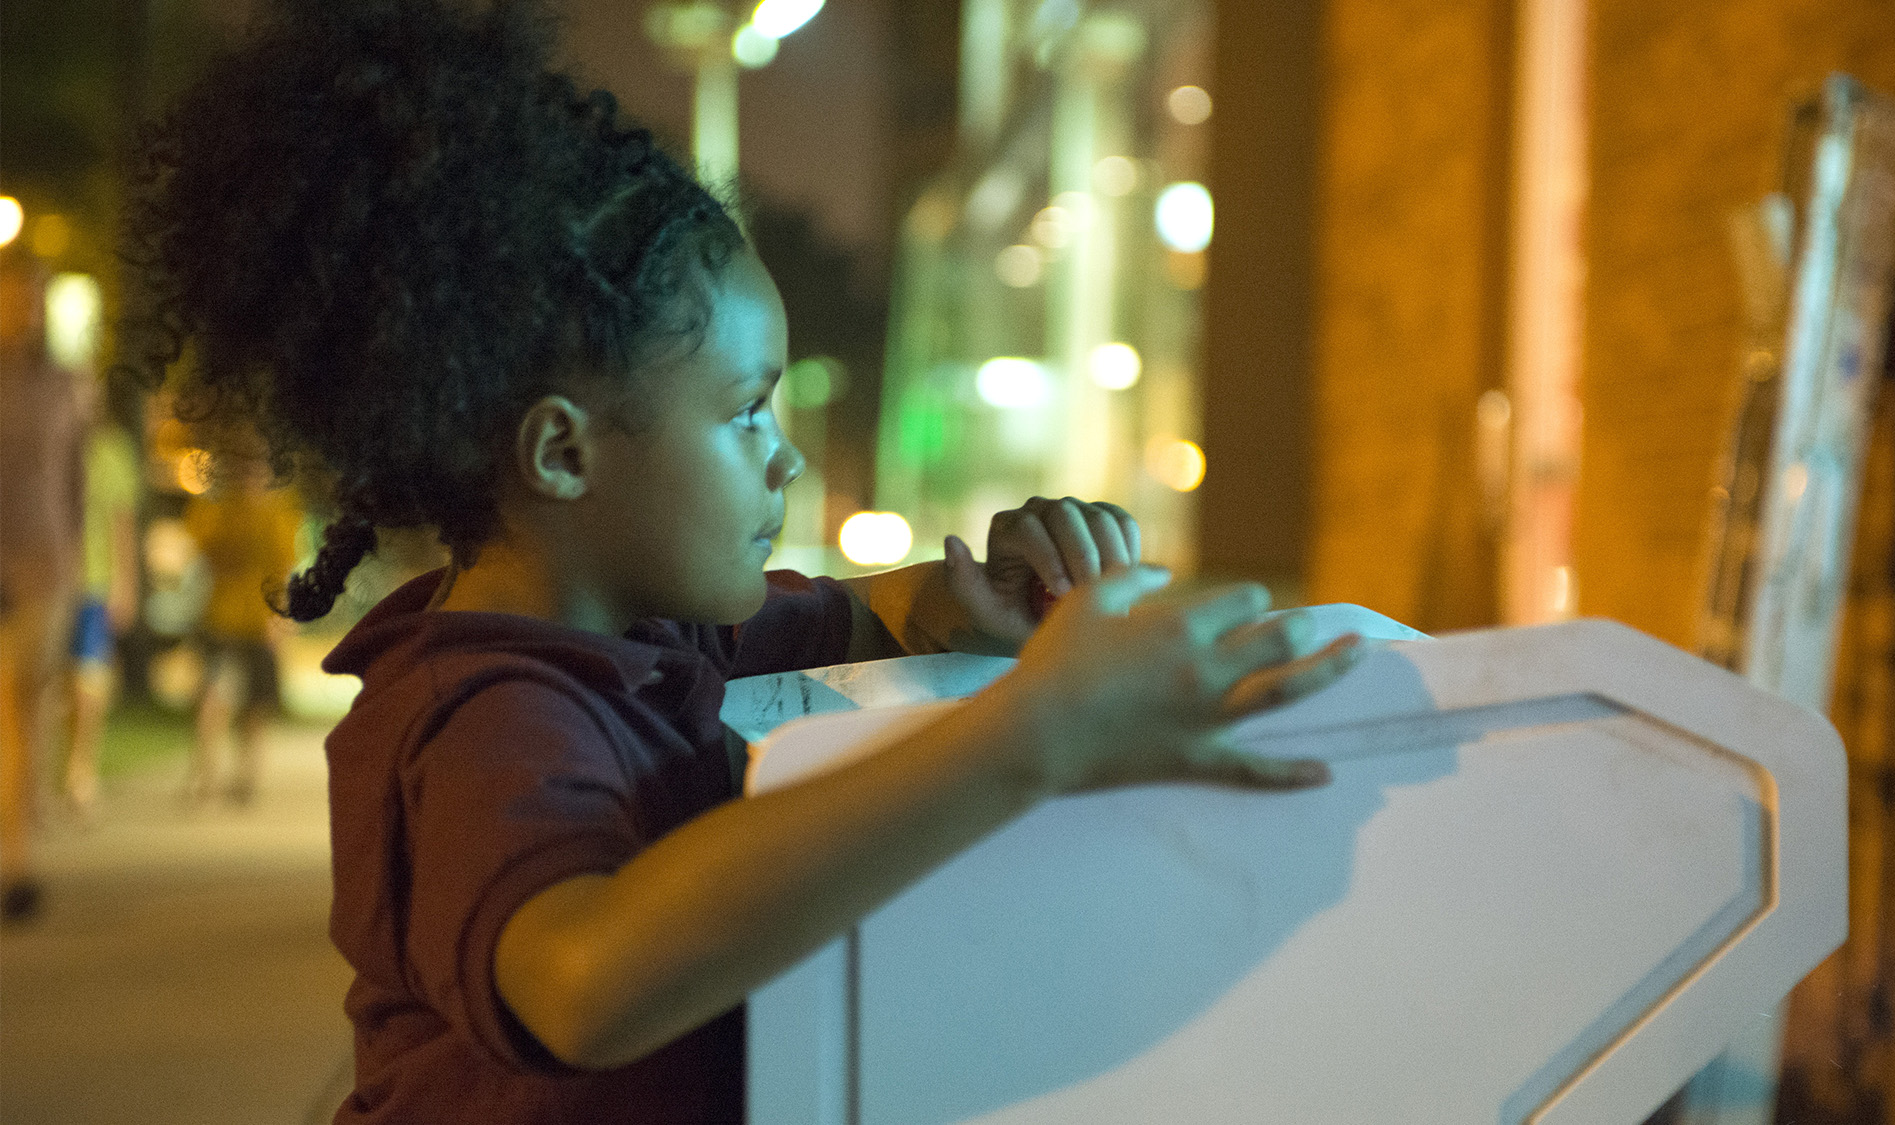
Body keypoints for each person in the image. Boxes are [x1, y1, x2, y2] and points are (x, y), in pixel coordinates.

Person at [123, 1, 1365, 1120]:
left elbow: (868, 614)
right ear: (562, 453)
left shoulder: (660, 637)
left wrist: (981, 596)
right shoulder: (480, 716)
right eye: (745, 413)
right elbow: (584, 981)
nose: (782, 461)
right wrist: (1032, 733)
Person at [0, 247, 83, 924]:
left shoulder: (65, 384)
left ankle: (17, 860)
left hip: (44, 565)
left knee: (24, 708)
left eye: (31, 296)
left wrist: (79, 561)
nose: (21, 308)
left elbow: (76, 481)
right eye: (10, 295)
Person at [181, 456, 299, 806]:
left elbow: (283, 567)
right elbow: (284, 567)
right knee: (224, 698)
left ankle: (233, 777)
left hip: (242, 618)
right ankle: (216, 776)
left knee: (247, 703)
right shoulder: (271, 513)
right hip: (231, 619)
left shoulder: (226, 512)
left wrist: (280, 617)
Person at [62, 381, 142, 818]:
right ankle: (31, 784)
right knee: (38, 685)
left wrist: (125, 585)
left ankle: (80, 771)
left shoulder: (112, 450)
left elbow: (121, 522)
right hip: (46, 582)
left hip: (93, 584)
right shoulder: (44, 440)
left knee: (87, 685)